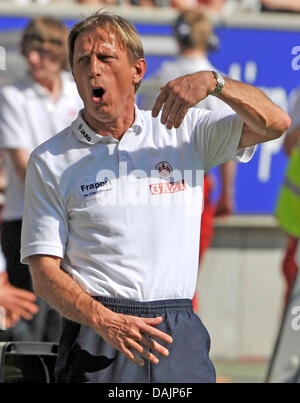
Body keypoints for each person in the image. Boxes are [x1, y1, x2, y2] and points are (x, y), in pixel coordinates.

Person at [20, 11, 290, 383]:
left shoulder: (182, 131)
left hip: (178, 331)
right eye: (82, 60)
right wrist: (101, 319)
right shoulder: (51, 159)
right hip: (101, 335)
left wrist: (216, 83)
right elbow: (44, 271)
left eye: (105, 57)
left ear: (137, 69)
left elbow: (275, 123)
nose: (93, 69)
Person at [140, 10, 236, 310]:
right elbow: (229, 144)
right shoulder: (214, 82)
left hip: (152, 180)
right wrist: (227, 193)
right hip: (194, 182)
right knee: (186, 269)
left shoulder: (159, 76)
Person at [0, 17, 83, 342]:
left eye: (44, 53)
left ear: (59, 55)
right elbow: (24, 167)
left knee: (65, 326)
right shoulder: (12, 97)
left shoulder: (77, 93)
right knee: (28, 329)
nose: (34, 60)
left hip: (72, 223)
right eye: (30, 52)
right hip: (25, 222)